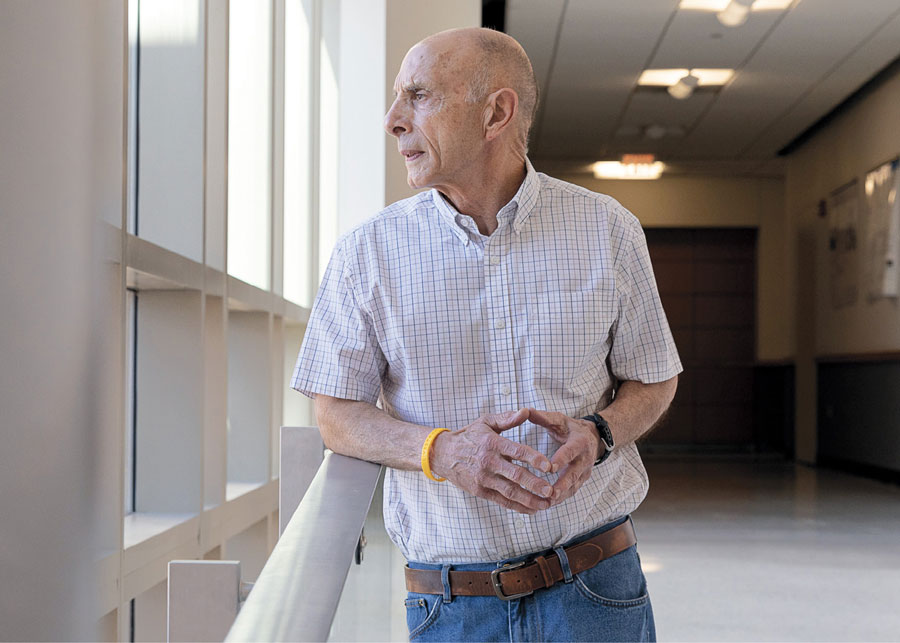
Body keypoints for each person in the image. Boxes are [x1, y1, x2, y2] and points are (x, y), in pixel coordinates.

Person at [291, 26, 681, 642]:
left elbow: (654, 377)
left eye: (418, 96)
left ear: (496, 111)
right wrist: (441, 451)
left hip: (595, 589)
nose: (393, 120)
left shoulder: (609, 229)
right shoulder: (366, 253)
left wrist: (601, 433)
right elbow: (335, 415)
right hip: (451, 607)